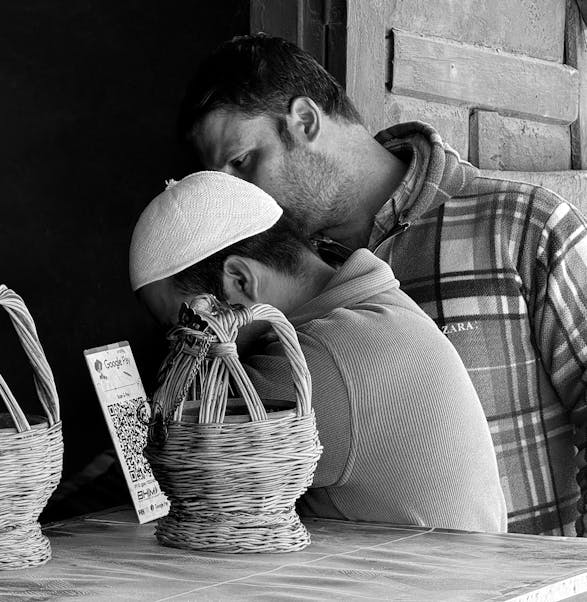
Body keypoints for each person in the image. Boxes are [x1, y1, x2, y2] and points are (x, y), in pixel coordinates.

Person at [175, 34, 587, 536]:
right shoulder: (286, 283)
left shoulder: (521, 225)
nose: (234, 197)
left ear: (304, 121)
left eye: (241, 163)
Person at [129, 170, 508, 533]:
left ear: (239, 281)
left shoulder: (324, 357)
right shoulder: (376, 311)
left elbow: (183, 471)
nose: (182, 345)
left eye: (186, 325)